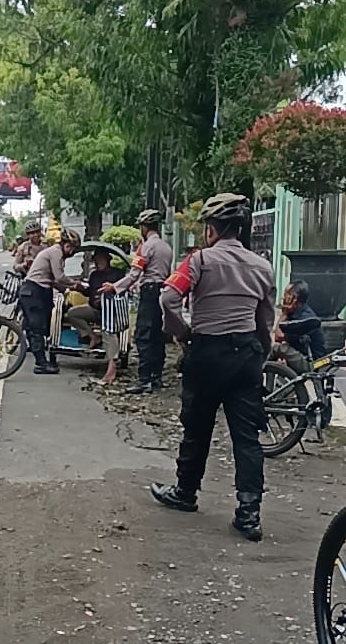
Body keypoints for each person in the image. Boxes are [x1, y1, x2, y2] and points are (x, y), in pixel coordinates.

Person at [151, 193, 276, 543]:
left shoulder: (199, 261)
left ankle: (186, 493)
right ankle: (249, 514)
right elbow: (265, 319)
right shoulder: (262, 267)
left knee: (197, 426)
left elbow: (168, 297)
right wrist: (259, 354)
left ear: (212, 229)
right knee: (247, 438)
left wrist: (182, 332)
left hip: (207, 354)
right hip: (246, 357)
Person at [100, 209, 173, 394]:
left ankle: (144, 380)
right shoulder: (167, 247)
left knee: (143, 335)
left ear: (143, 227)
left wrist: (115, 287)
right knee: (157, 336)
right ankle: (156, 377)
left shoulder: (145, 247)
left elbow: (134, 274)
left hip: (149, 293)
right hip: (162, 291)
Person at [19, 227, 82, 374]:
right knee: (36, 328)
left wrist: (67, 291)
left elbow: (54, 280)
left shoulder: (56, 253)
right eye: (70, 247)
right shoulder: (55, 253)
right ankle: (41, 364)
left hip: (41, 290)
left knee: (47, 325)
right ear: (64, 244)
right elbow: (59, 277)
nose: (71, 252)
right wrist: (75, 285)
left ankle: (47, 357)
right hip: (34, 291)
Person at [66, 247, 123, 383]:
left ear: (108, 260)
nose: (98, 263)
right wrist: (80, 288)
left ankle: (112, 366)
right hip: (93, 309)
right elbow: (89, 292)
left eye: (101, 260)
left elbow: (123, 291)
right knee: (73, 313)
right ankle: (91, 336)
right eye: (96, 261)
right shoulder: (94, 275)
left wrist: (107, 296)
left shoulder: (118, 274)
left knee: (109, 333)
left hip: (111, 310)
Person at [272, 279, 326, 373]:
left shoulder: (303, 319)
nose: (283, 297)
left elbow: (278, 336)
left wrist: (284, 314)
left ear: (294, 298)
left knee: (278, 348)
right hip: (304, 356)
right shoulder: (296, 312)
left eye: (286, 294)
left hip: (312, 364)